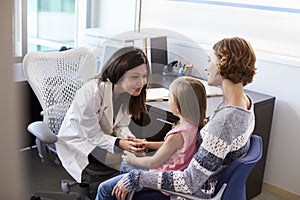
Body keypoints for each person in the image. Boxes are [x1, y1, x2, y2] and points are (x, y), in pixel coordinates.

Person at [105, 36, 257, 200]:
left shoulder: (225, 123)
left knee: (106, 189)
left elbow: (189, 181)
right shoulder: (245, 103)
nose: (206, 68)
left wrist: (136, 178)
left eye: (209, 60)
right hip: (197, 177)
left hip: (187, 192)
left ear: (223, 64)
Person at [96, 76, 208, 200]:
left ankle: (127, 191)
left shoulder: (178, 134)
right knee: (124, 167)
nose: (167, 99)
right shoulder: (194, 127)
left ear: (178, 105)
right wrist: (148, 144)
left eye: (170, 97)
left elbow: (153, 162)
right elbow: (172, 146)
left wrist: (132, 159)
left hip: (160, 178)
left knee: (105, 188)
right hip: (174, 171)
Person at [55, 46, 150, 183]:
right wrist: (120, 143)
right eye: (135, 76)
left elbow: (120, 126)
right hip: (81, 141)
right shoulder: (91, 92)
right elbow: (93, 135)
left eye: (144, 76)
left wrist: (131, 141)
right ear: (119, 73)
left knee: (138, 155)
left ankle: (136, 184)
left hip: (101, 138)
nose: (141, 83)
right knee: (133, 160)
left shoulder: (127, 93)